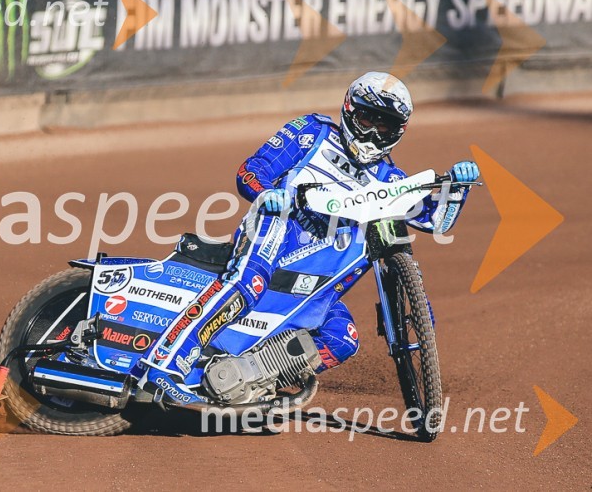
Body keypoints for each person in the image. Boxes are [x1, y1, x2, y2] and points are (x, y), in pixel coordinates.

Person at [137, 71, 480, 406]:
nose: (373, 132)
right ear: (349, 111)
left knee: (342, 338)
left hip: (319, 279)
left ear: (398, 132)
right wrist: (268, 194)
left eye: (384, 125)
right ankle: (165, 364)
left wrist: (457, 189)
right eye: (366, 119)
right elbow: (251, 172)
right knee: (249, 282)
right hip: (277, 228)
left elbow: (434, 219)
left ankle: (251, 380)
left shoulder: (390, 177)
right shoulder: (311, 132)